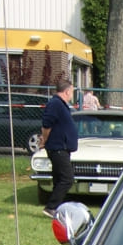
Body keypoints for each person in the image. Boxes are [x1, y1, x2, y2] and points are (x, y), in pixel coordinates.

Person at [36, 78, 77, 217]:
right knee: (67, 178)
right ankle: (51, 207)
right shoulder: (55, 104)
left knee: (59, 178)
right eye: (72, 92)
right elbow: (47, 124)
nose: (72, 95)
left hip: (63, 147)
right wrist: (44, 140)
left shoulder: (61, 105)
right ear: (66, 91)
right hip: (58, 147)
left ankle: (56, 208)